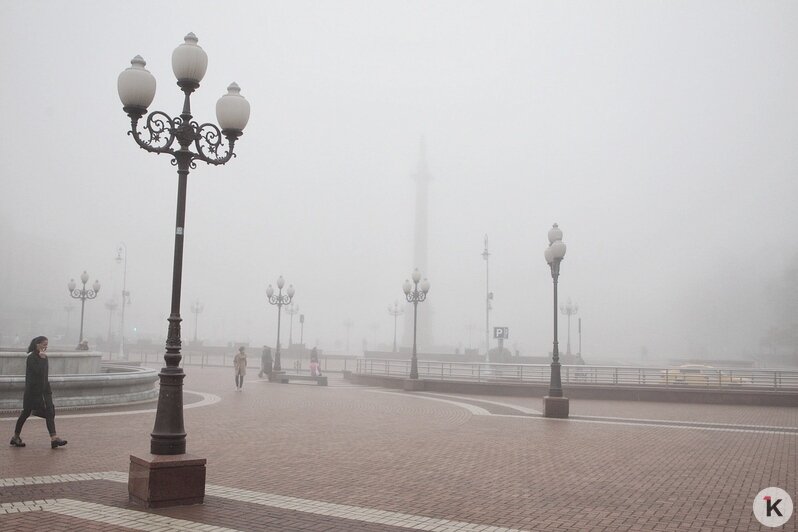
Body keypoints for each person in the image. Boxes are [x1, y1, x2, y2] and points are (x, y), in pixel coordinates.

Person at [9, 336, 68, 449]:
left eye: (47, 344)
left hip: (45, 391)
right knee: (26, 413)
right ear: (38, 344)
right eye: (44, 344)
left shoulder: (44, 357)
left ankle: (54, 438)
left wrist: (47, 389)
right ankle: (16, 437)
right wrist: (41, 358)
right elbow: (38, 372)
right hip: (33, 392)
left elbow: (45, 375)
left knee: (50, 411)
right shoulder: (31, 358)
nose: (46, 346)